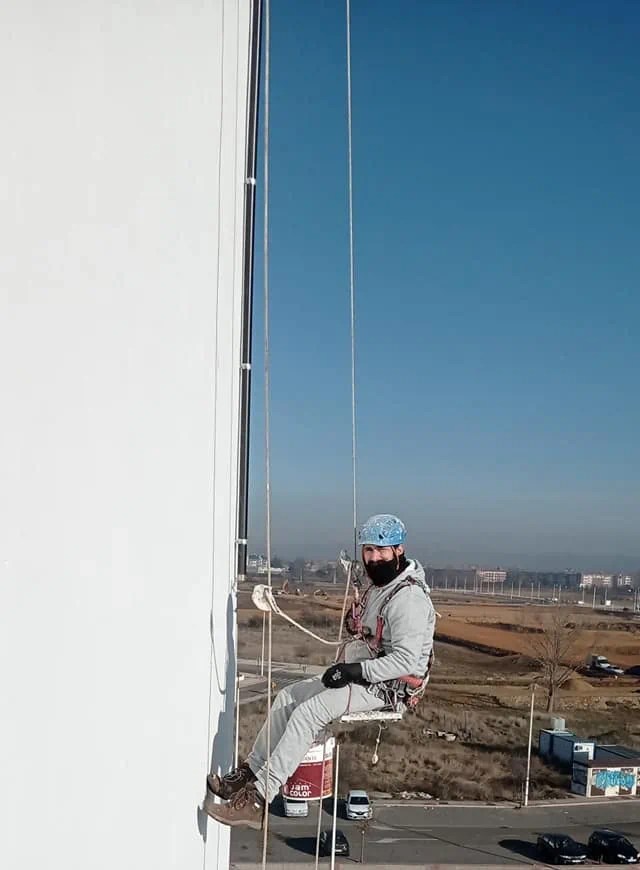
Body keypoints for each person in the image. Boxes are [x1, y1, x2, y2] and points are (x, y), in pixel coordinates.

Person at [203, 514, 435, 830]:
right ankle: (248, 773)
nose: (373, 557)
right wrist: (359, 629)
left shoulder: (408, 598)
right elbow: (376, 630)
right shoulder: (382, 585)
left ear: (399, 550)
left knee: (308, 713)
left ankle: (258, 800)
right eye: (368, 550)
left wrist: (354, 670)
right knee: (287, 698)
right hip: (365, 671)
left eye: (381, 551)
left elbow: (405, 661)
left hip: (388, 686)